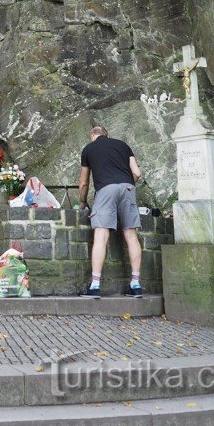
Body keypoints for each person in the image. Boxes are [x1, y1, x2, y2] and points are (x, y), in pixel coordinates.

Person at [77, 124, 145, 299]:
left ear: (93, 135)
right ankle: (136, 284)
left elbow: (84, 182)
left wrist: (83, 202)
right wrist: (126, 186)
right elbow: (136, 173)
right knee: (131, 234)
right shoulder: (123, 145)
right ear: (106, 135)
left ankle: (95, 285)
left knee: (101, 235)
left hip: (105, 190)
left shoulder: (89, 149)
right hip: (128, 187)